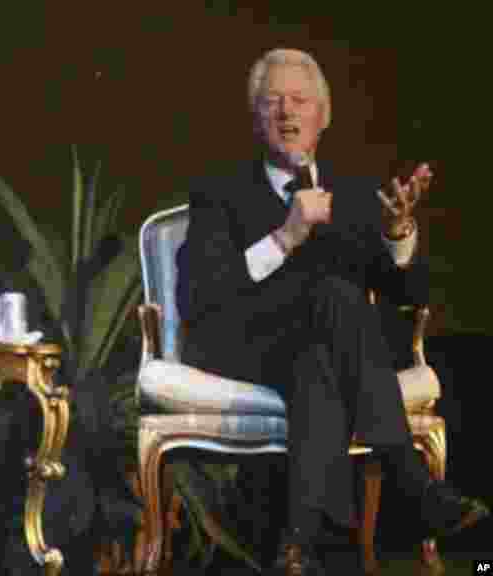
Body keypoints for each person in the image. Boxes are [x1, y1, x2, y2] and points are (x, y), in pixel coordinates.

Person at [175, 48, 487, 575]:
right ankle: (411, 482)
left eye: (299, 101)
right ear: (255, 117)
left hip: (317, 359)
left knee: (318, 357)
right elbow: (200, 296)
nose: (287, 113)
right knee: (334, 298)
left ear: (323, 116)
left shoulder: (355, 192)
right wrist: (286, 235)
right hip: (244, 348)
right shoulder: (219, 192)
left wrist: (397, 238)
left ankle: (299, 547)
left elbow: (409, 294)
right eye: (272, 101)